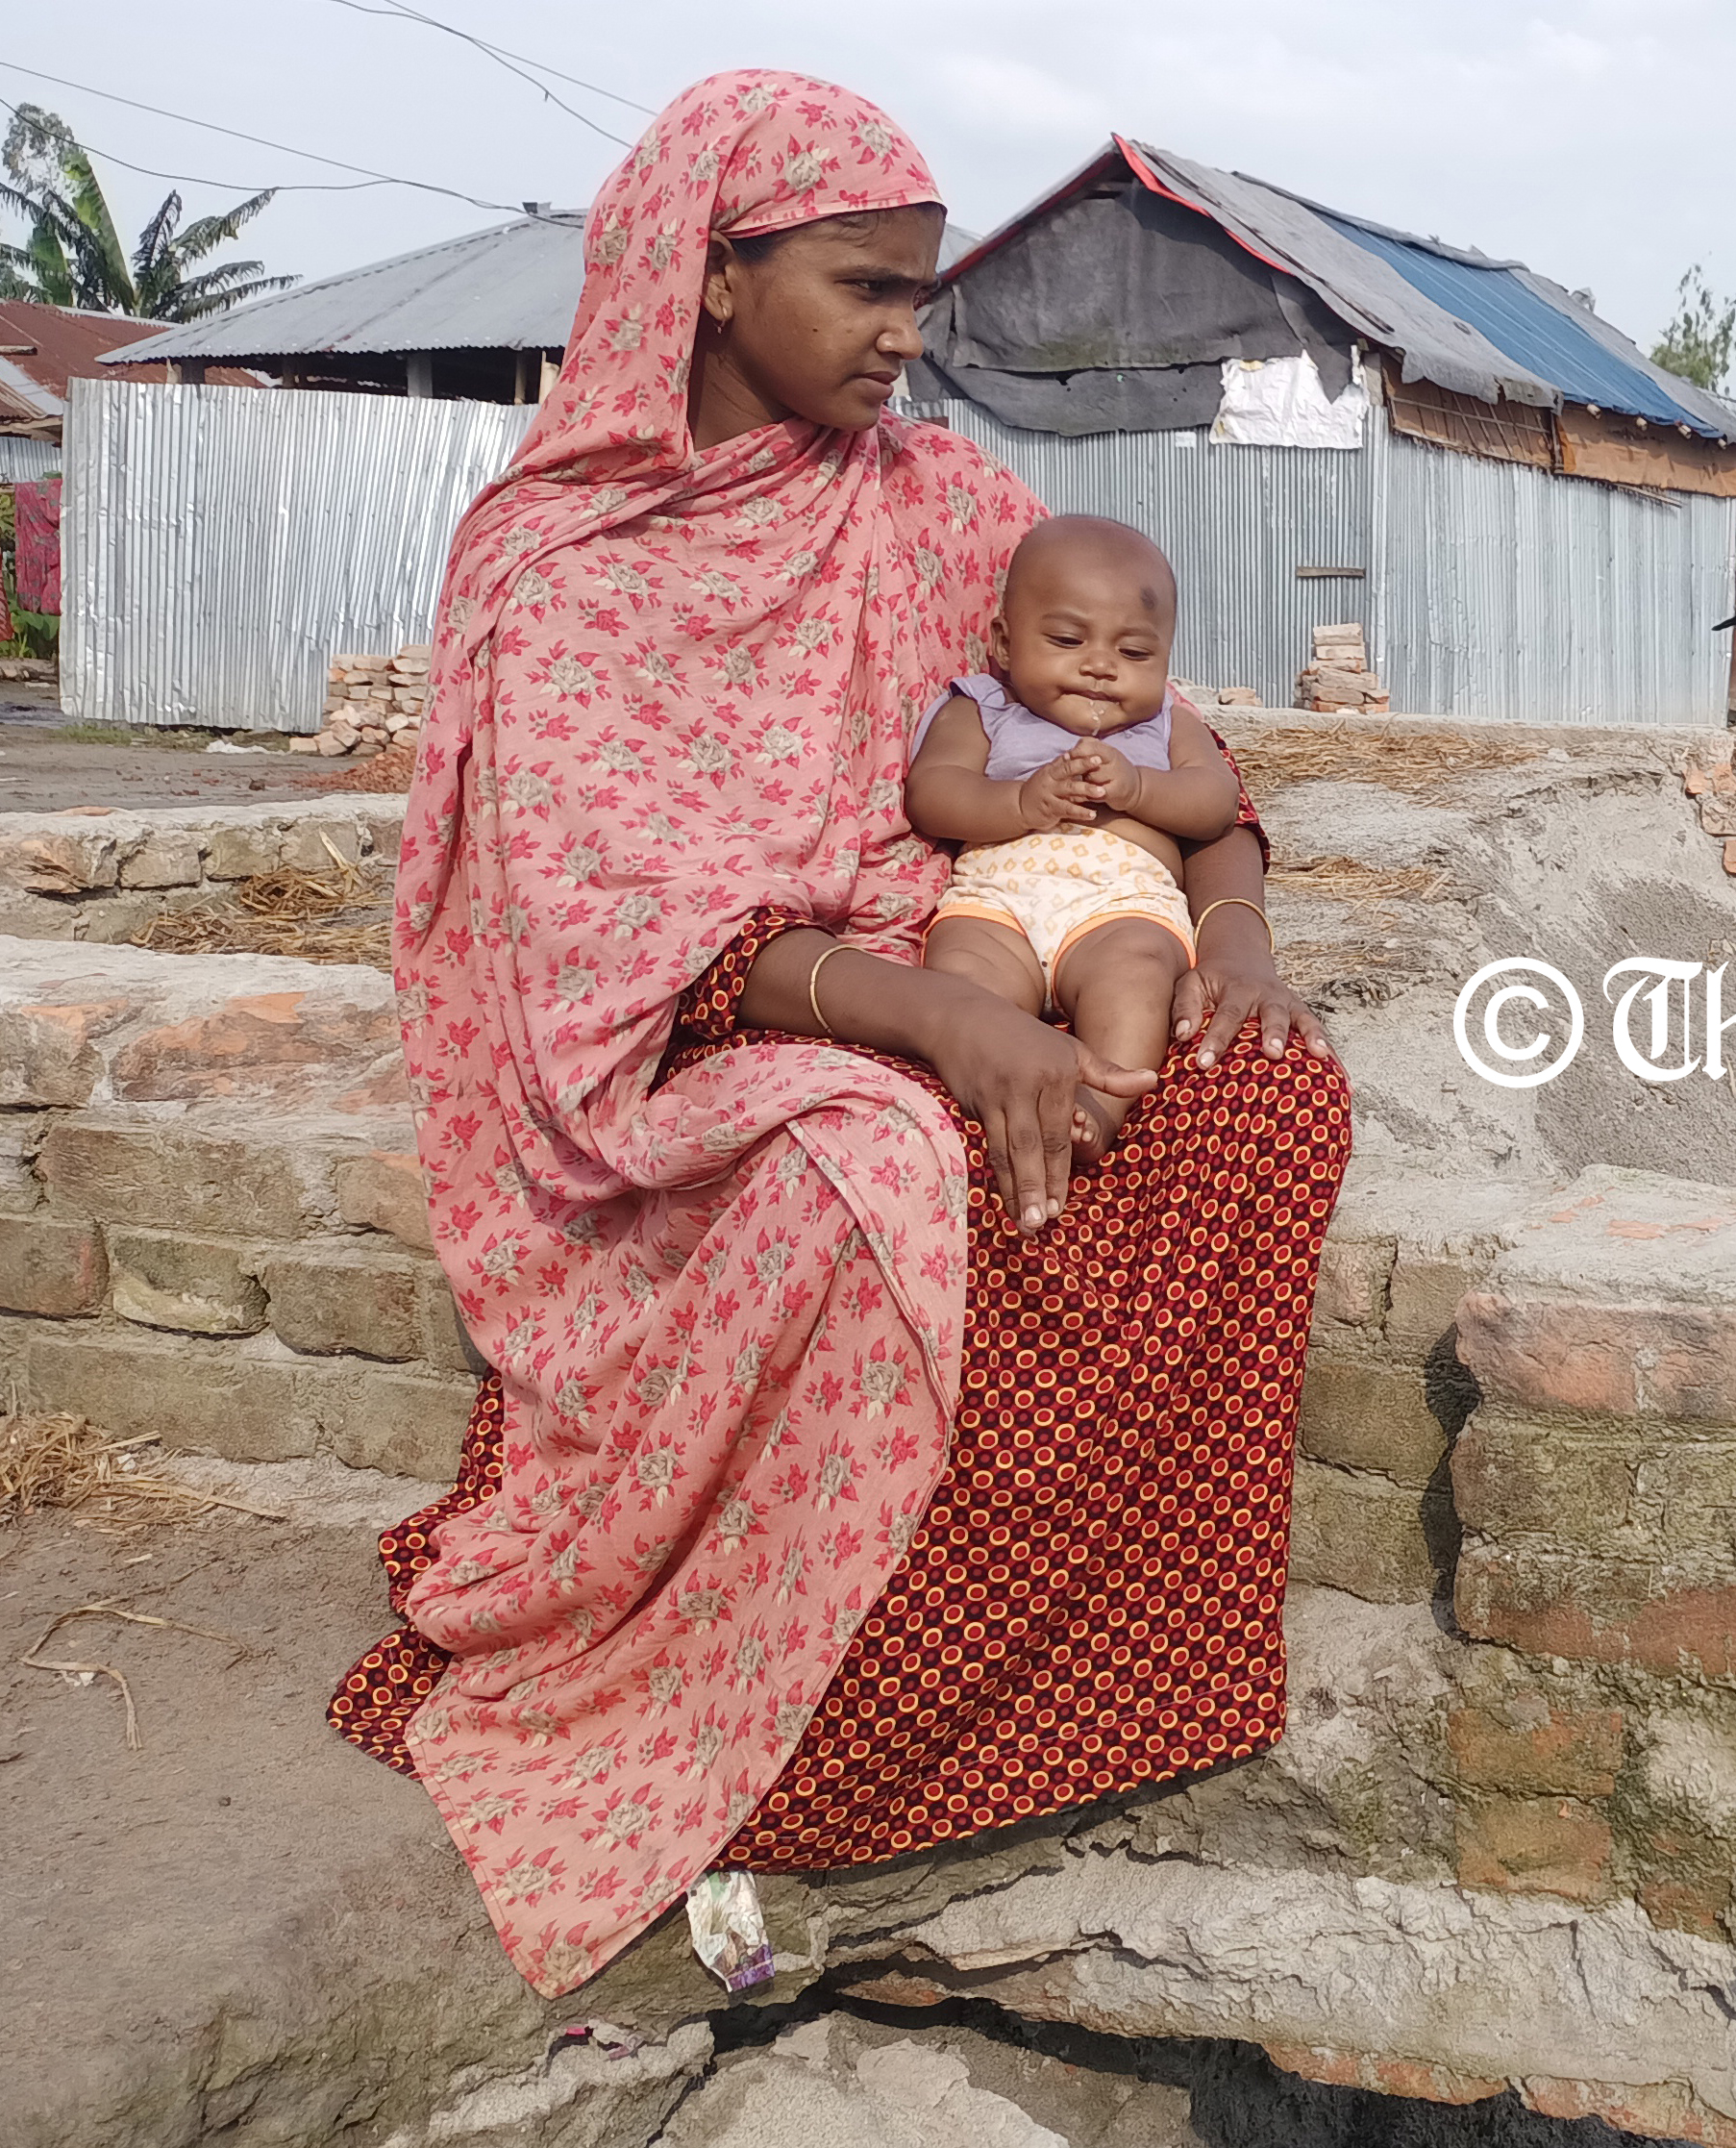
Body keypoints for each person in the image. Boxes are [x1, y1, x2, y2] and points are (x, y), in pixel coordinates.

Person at [323, 70, 1352, 2000]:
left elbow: (1139, 740)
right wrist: (945, 1030)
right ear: (708, 278)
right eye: (866, 290)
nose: (907, 337)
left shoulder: (953, 508)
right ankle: (810, 1744)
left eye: (920, 295)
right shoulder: (560, 564)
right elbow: (613, 948)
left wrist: (1232, 924)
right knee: (865, 1170)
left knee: (1261, 1099)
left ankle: (1079, 1680)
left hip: (984, 962)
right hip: (705, 1044)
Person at [907, 515, 1243, 1155]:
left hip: (1121, 904)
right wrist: (1019, 802)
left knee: (1137, 975)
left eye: (1135, 653)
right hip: (997, 899)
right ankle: (996, 1090)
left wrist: (1139, 788)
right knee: (963, 973)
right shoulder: (982, 707)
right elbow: (933, 793)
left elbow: (1215, 803)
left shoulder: (1168, 725)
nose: (1100, 667)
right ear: (1005, 644)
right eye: (1066, 639)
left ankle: (1097, 1106)